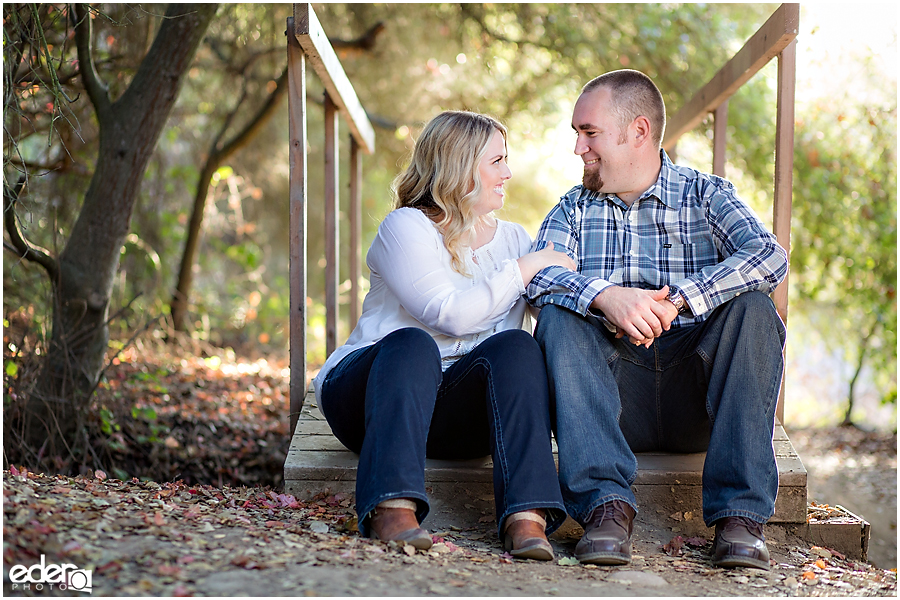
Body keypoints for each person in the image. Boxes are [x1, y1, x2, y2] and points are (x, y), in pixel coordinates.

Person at [526, 70, 788, 570]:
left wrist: (680, 301)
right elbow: (538, 278)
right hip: (614, 403)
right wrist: (607, 297)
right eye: (577, 134)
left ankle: (739, 518)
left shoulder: (707, 195)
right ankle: (605, 507)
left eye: (589, 132)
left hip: (700, 398)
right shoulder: (574, 209)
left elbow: (768, 256)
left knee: (754, 307)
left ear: (638, 131)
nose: (578, 147)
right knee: (559, 316)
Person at [314, 111, 576, 560]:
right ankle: (391, 507)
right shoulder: (406, 228)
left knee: (517, 346)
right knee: (413, 343)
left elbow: (555, 306)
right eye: (497, 161)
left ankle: (526, 517)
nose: (508, 173)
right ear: (460, 165)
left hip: (458, 415)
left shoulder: (514, 239)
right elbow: (449, 315)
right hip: (372, 401)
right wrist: (524, 269)